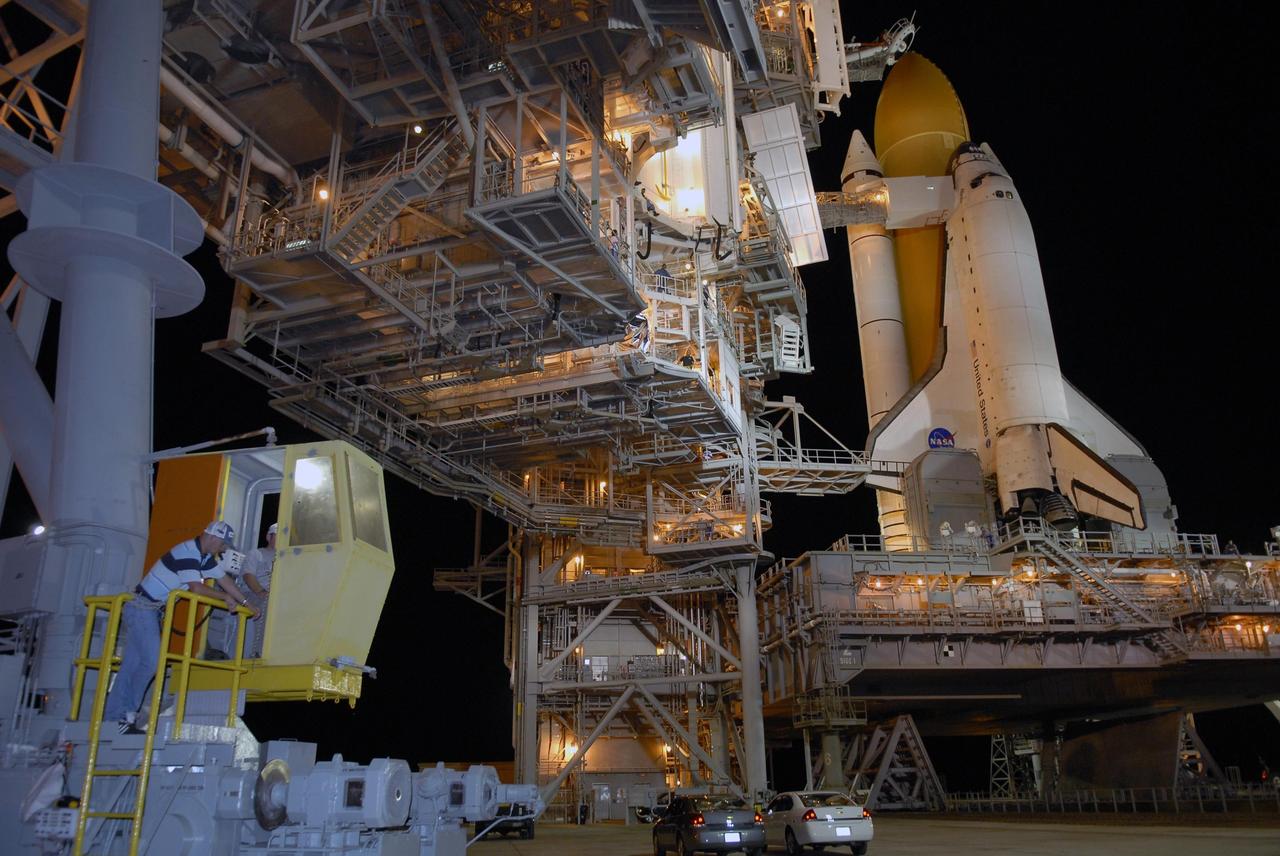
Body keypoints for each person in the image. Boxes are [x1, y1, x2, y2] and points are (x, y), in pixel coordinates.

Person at [103, 521, 257, 733]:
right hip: (142, 609)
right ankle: (122, 716)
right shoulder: (188, 552)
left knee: (133, 665)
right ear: (213, 538)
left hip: (147, 611)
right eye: (223, 545)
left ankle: (115, 719)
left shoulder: (202, 557)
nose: (223, 550)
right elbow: (196, 588)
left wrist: (248, 605)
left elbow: (224, 580)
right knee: (151, 662)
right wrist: (226, 598)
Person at [241, 523, 277, 657]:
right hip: (253, 593)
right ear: (269, 536)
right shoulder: (256, 554)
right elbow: (248, 576)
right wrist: (262, 592)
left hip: (273, 596)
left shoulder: (286, 559)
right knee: (268, 605)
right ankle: (258, 652)